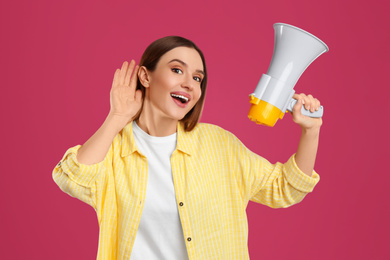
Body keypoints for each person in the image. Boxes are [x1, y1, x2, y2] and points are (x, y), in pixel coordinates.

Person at [52, 36, 322, 260]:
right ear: (145, 76)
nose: (189, 84)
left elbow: (285, 188)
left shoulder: (220, 145)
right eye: (177, 70)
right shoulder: (113, 150)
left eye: (197, 78)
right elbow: (72, 179)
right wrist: (117, 118)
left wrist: (310, 131)